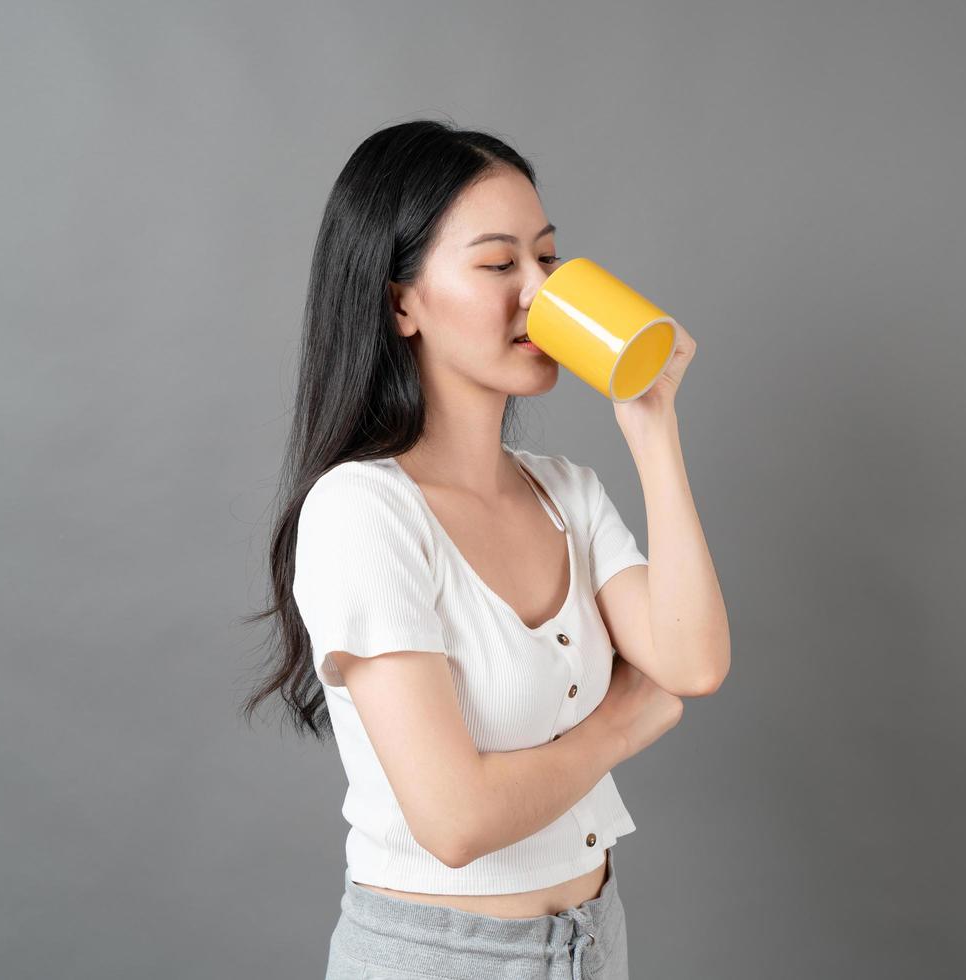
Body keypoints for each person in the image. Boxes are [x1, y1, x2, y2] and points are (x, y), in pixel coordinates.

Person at [240, 118, 730, 979]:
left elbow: (690, 665)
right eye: (501, 265)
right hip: (438, 959)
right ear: (401, 302)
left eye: (548, 259)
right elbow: (454, 821)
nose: (538, 292)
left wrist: (653, 429)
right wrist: (618, 724)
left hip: (592, 941)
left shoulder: (566, 492)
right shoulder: (363, 512)